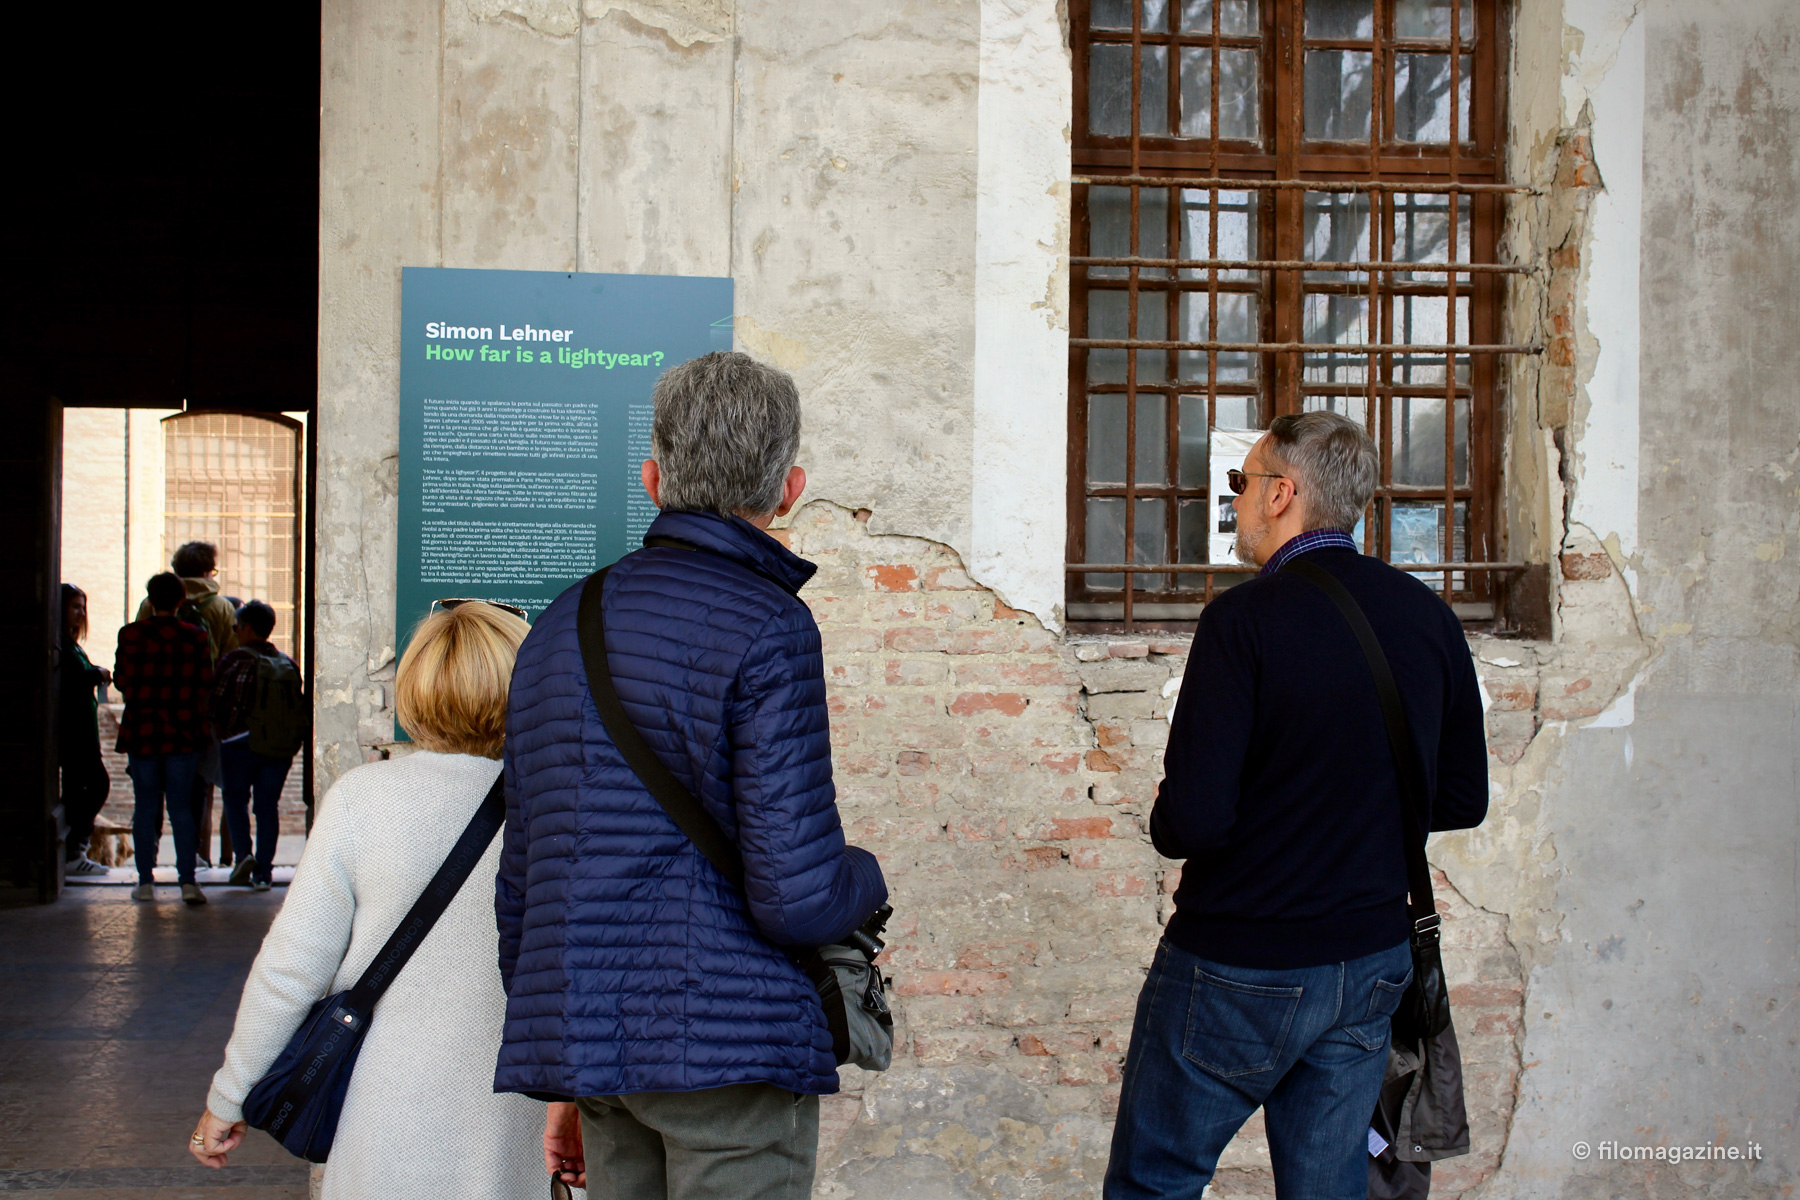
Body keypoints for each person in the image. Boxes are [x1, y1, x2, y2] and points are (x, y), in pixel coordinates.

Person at [497, 351, 889, 1200]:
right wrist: (866, 875)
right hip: (728, 1046)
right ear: (790, 489)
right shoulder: (771, 624)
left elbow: (524, 879)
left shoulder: (560, 624)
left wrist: (574, 1071)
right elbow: (797, 897)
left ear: (653, 479)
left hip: (594, 1041)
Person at [1104, 411, 1489, 1200]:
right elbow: (1461, 797)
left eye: (1241, 482)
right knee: (1328, 1189)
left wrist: (1184, 815)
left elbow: (1192, 821)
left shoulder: (1243, 620)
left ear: (1282, 494)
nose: (1235, 498)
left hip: (1241, 959)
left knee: (1156, 1181)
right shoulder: (1427, 616)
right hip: (1371, 961)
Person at [189, 601, 546, 1199]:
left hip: (386, 1111)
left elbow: (292, 969)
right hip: (526, 1110)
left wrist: (230, 1097)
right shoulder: (563, 800)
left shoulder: (363, 800)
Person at [113, 572, 215, 905]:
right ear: (181, 600)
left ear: (150, 598)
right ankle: (188, 882)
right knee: (181, 808)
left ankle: (145, 881)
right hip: (183, 732)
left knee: (145, 806)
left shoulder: (130, 635)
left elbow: (121, 680)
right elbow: (205, 683)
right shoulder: (195, 637)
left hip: (142, 730)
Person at [138, 541, 239, 868]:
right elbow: (228, 662)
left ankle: (148, 861)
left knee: (150, 794)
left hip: (149, 713)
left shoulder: (149, 605)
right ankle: (195, 858)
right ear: (209, 571)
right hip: (196, 713)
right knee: (197, 789)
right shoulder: (220, 607)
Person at [211, 600, 304, 890]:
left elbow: (216, 702)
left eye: (236, 627)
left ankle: (243, 856)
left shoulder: (234, 660)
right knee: (267, 807)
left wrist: (221, 732)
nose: (235, 632)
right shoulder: (288, 663)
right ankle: (263, 872)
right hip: (277, 747)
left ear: (248, 628)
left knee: (235, 800)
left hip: (238, 744)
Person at [59, 584, 113, 876]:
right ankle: (74, 850)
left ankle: (73, 851)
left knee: (78, 789)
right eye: (74, 607)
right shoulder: (60, 645)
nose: (80, 613)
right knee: (97, 784)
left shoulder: (71, 643)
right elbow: (74, 678)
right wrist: (98, 673)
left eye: (82, 607)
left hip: (83, 727)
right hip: (74, 730)